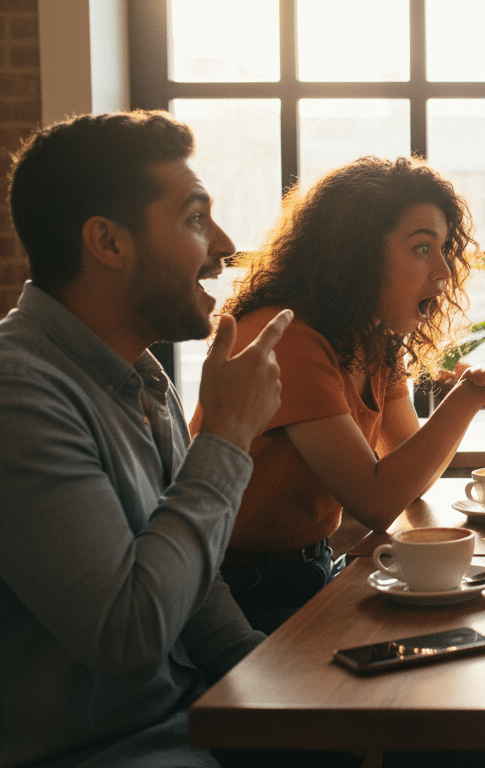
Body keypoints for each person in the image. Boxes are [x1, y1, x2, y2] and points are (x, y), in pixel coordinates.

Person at [0, 112, 290, 767]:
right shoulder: (17, 393)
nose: (224, 244)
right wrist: (227, 434)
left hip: (192, 722)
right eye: (194, 218)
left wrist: (287, 687)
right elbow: (129, 635)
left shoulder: (139, 372)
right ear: (107, 241)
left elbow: (194, 587)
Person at [198, 156, 485, 634]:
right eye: (421, 248)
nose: (442, 270)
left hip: (312, 571)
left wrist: (472, 394)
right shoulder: (288, 338)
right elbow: (375, 500)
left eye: (443, 249)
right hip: (242, 592)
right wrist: (465, 399)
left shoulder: (372, 341)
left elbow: (409, 478)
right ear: (356, 254)